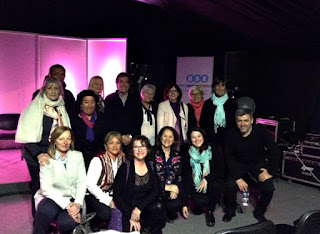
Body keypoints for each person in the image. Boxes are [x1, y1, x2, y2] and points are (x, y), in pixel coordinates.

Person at [15, 77, 71, 217]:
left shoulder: (61, 107)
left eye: (56, 88)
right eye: (49, 88)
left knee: (55, 188)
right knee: (39, 188)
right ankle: (39, 220)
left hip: (55, 156)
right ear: (43, 90)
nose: (53, 91)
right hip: (36, 155)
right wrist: (39, 154)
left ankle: (55, 218)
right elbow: (26, 135)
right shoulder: (34, 107)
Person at [223, 108, 281, 223]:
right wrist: (237, 178)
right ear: (236, 121)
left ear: (251, 120)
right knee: (230, 186)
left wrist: (270, 172)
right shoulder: (231, 134)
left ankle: (259, 211)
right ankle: (230, 209)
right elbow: (228, 156)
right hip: (238, 164)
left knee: (269, 188)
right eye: (239, 120)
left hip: (256, 164)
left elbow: (275, 151)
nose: (242, 123)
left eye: (245, 120)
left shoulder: (261, 131)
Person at [33, 126, 86, 234]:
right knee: (45, 210)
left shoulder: (78, 156)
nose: (65, 142)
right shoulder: (46, 159)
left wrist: (77, 204)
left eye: (68, 138)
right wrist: (67, 205)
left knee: (66, 223)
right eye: (61, 139)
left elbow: (82, 182)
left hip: (73, 198)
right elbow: (46, 188)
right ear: (54, 141)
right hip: (53, 197)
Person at [113, 135, 166, 233]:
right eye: (136, 147)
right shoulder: (125, 167)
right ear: (131, 150)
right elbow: (117, 196)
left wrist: (139, 208)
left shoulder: (151, 165)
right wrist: (131, 216)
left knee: (159, 206)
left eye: (142, 146)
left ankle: (146, 229)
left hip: (145, 205)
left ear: (147, 149)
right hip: (128, 206)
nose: (139, 150)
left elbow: (156, 190)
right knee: (130, 230)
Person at [181, 127, 224, 227]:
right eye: (193, 137)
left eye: (199, 136)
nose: (197, 139)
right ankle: (198, 201)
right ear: (190, 139)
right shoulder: (187, 153)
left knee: (216, 186)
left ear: (203, 137)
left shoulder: (212, 148)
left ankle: (210, 211)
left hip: (212, 180)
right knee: (198, 204)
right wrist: (184, 203)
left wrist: (206, 179)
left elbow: (220, 169)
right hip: (196, 183)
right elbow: (186, 177)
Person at [86, 131, 125, 232]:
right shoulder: (98, 160)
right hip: (95, 193)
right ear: (105, 146)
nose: (115, 146)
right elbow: (90, 185)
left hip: (113, 193)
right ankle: (94, 222)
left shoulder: (122, 158)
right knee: (105, 213)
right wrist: (107, 200)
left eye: (118, 142)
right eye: (111, 143)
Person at [96, 72, 141, 150]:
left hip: (132, 140)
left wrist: (130, 136)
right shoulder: (109, 99)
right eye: (121, 82)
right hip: (114, 140)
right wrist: (120, 136)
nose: (124, 84)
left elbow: (138, 119)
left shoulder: (135, 99)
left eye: (126, 82)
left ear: (130, 84)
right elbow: (108, 120)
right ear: (117, 84)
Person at [154, 126, 183, 223]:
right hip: (156, 188)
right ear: (160, 137)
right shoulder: (152, 153)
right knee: (156, 207)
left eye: (170, 137)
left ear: (174, 139)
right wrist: (165, 187)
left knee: (176, 204)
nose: (167, 139)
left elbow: (179, 175)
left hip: (171, 187)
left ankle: (167, 211)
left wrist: (174, 188)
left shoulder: (177, 155)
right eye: (165, 136)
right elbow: (150, 177)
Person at [200, 76, 237, 148]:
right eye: (217, 85)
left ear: (225, 88)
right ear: (214, 87)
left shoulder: (232, 103)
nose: (220, 88)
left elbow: (235, 122)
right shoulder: (208, 103)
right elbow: (203, 122)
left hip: (228, 140)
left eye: (222, 85)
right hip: (211, 140)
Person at [72, 89, 102, 169]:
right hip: (78, 158)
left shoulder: (101, 118)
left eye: (92, 102)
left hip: (98, 156)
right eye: (86, 102)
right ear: (81, 104)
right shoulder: (74, 119)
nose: (90, 105)